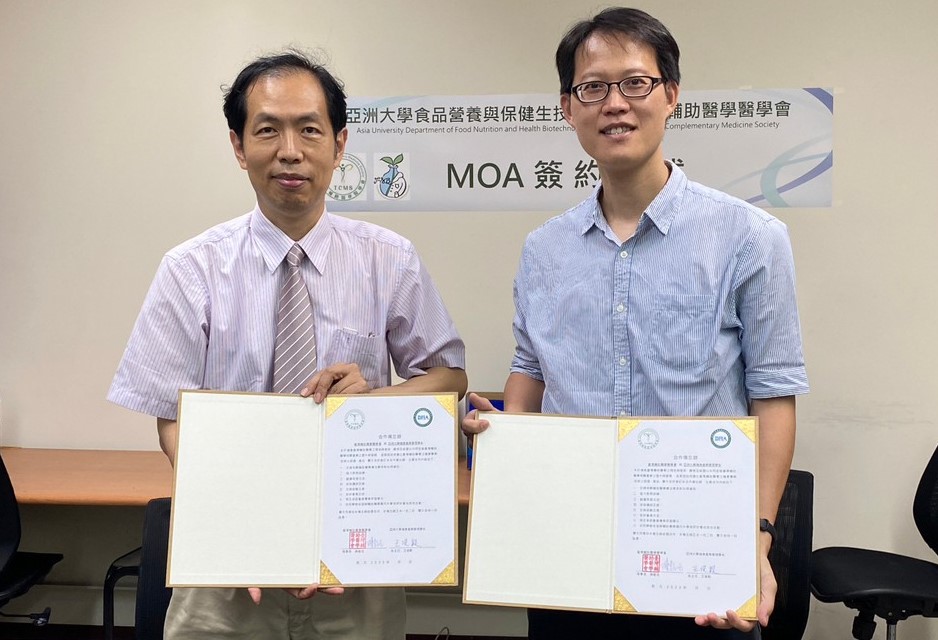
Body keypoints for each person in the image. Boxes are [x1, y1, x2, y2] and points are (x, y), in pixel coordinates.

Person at [462, 7, 808, 639]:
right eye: (592, 88)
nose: (614, 103)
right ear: (568, 107)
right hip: (568, 547)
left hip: (694, 555)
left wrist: (755, 539)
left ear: (671, 95)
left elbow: (774, 394)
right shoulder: (545, 249)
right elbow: (530, 370)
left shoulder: (750, 238)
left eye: (635, 83)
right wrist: (505, 439)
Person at [108, 50, 467, 640]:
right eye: (268, 129)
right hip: (227, 572)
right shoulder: (190, 269)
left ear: (340, 142)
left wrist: (374, 397)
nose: (290, 150)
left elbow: (449, 379)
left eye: (309, 129)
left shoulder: (389, 259)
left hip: (358, 564)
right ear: (237, 144)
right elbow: (173, 419)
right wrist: (250, 523)